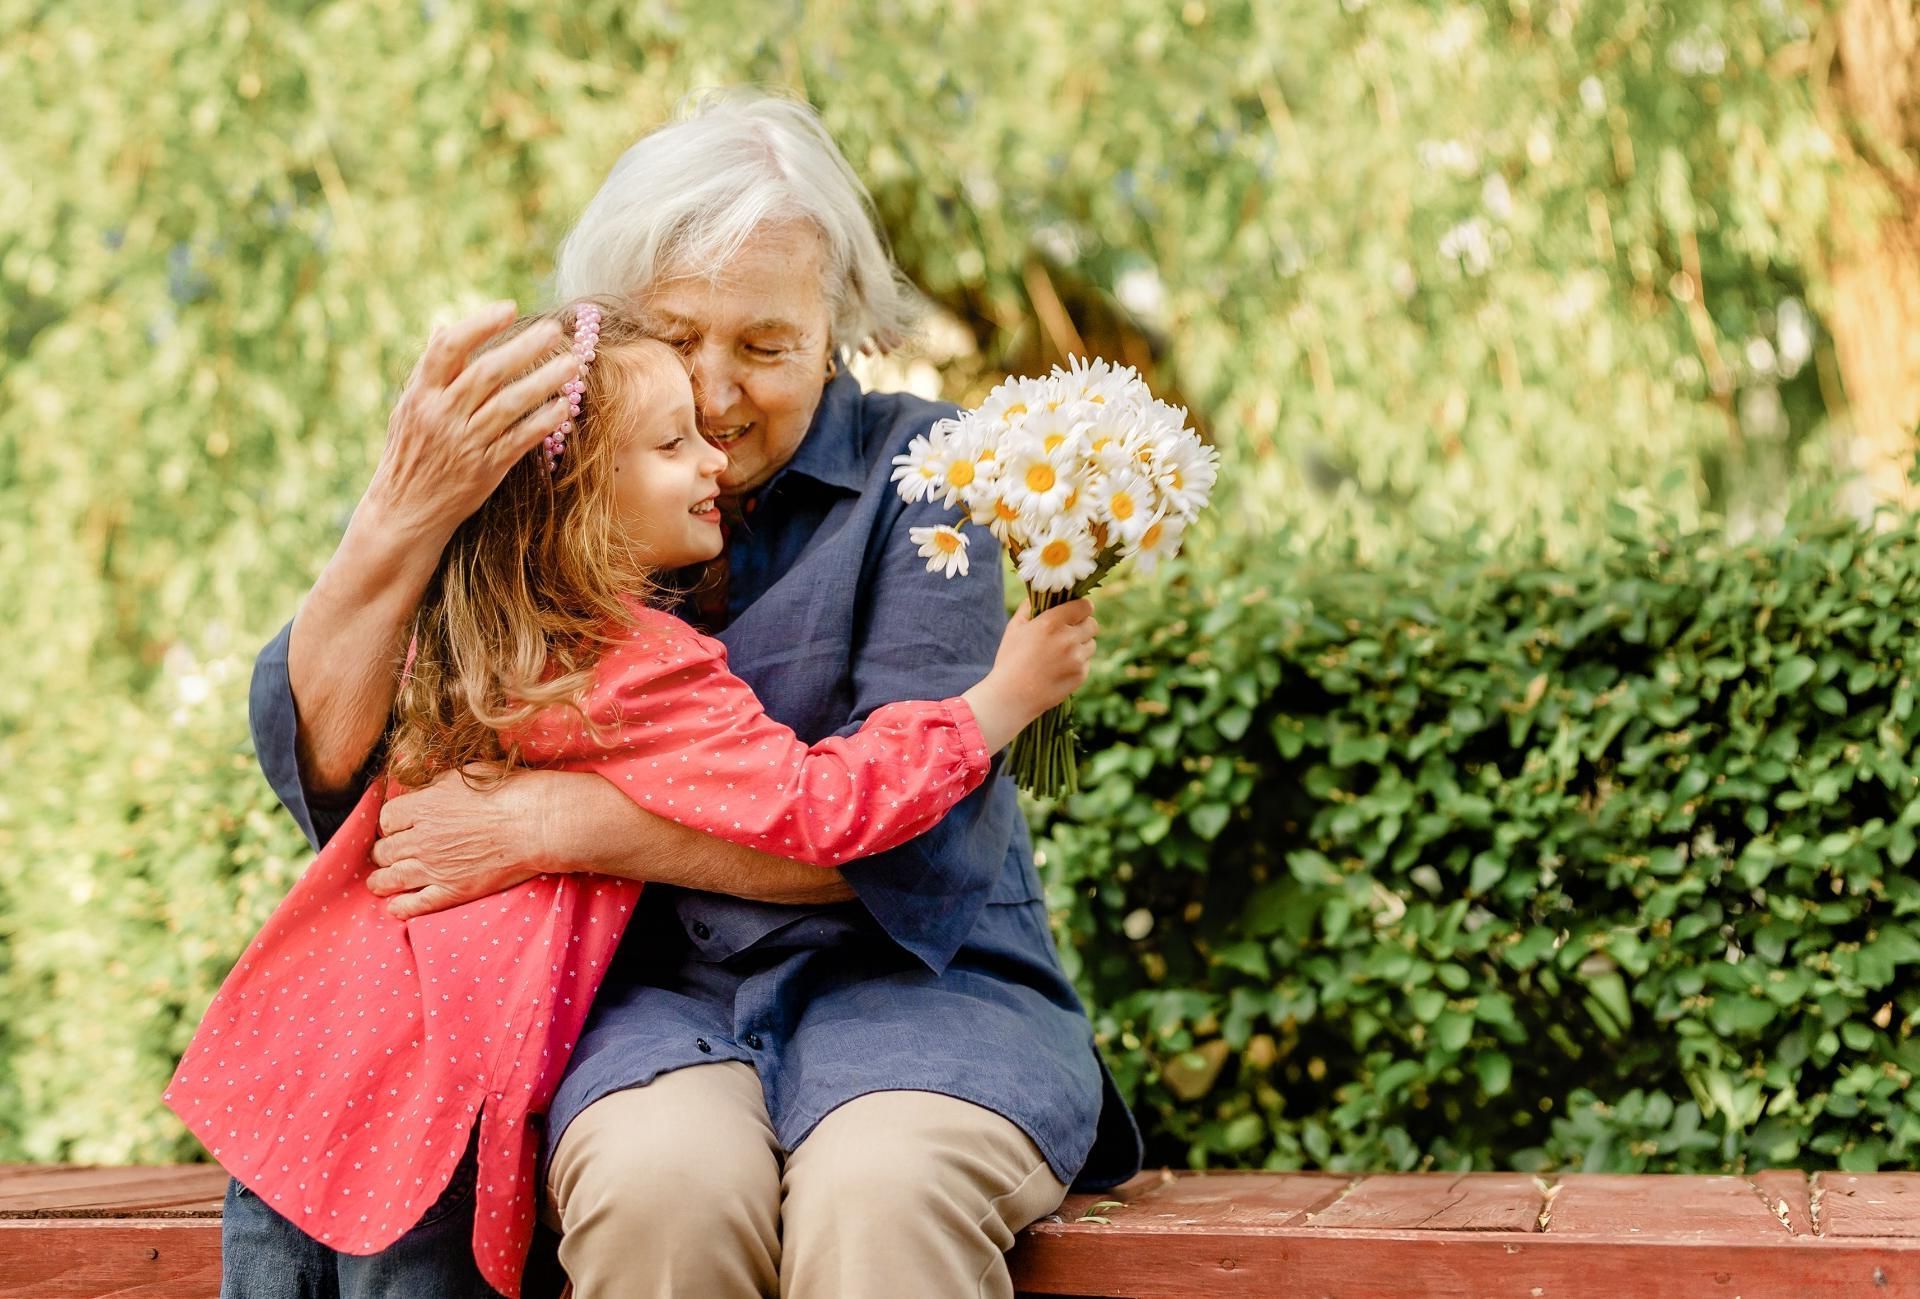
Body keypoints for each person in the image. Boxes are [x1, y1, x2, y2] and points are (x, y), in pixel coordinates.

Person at [247, 90, 1143, 1299]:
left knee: (883, 1192)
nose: (716, 395)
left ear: (839, 330)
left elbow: (906, 829)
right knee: (657, 1187)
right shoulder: (555, 475)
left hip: (919, 992)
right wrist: (398, 521)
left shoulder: (932, 476)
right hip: (641, 1001)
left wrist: (569, 824)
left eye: (765, 346)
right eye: (674, 339)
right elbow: (343, 762)